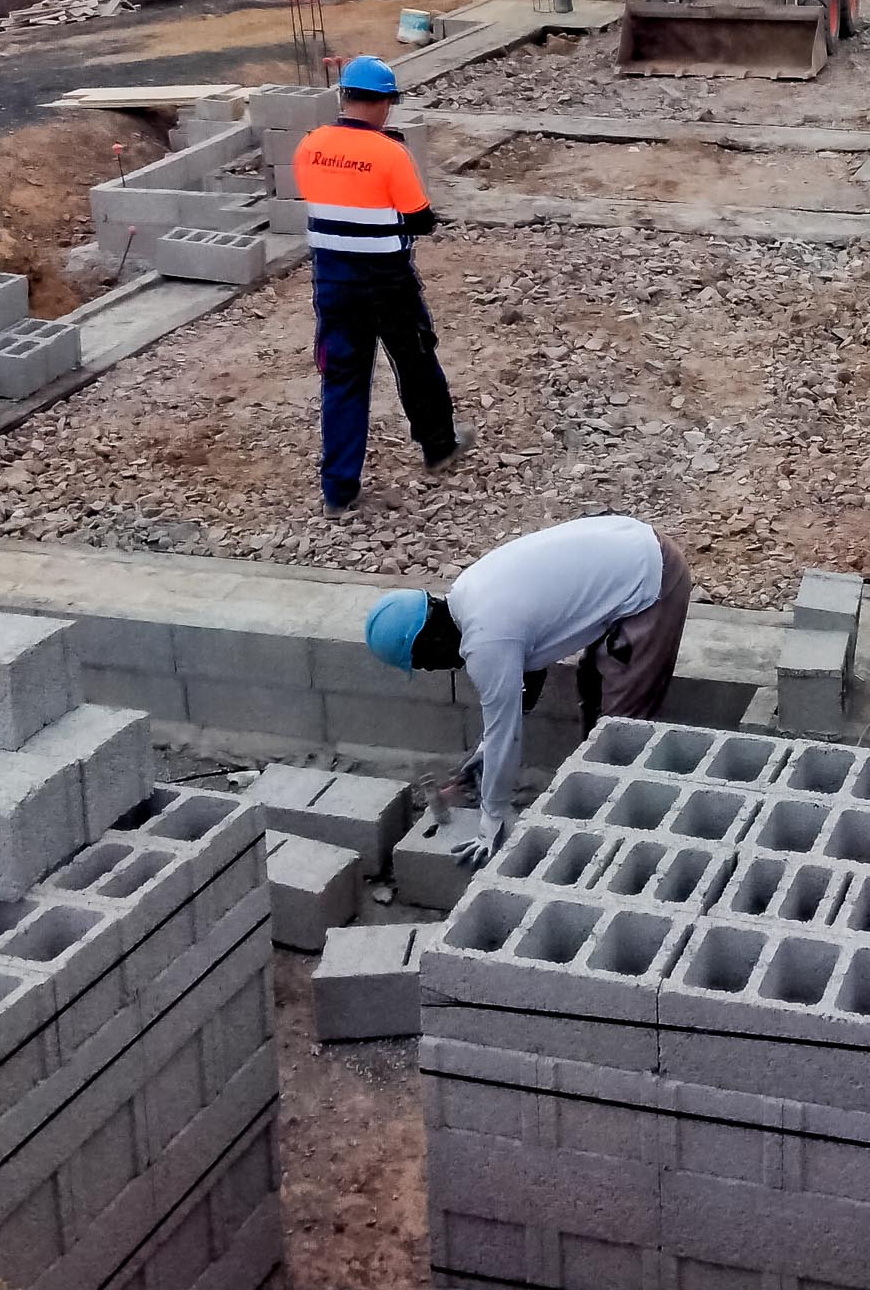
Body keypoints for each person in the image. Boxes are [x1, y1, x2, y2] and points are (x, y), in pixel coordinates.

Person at [364, 514, 692, 867]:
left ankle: (625, 838)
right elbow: (528, 680)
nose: (434, 669)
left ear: (431, 639)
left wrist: (493, 817)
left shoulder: (486, 640)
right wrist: (486, 751)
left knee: (619, 726)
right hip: (631, 545)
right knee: (593, 683)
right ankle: (603, 791)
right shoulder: (469, 594)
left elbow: (508, 734)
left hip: (653, 580)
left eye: (426, 661)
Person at [291, 55, 472, 513]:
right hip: (387, 282)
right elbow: (419, 217)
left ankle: (338, 490)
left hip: (332, 280)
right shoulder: (390, 153)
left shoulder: (309, 146)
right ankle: (438, 446)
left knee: (343, 380)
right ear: (386, 103)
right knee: (415, 361)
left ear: (344, 96)